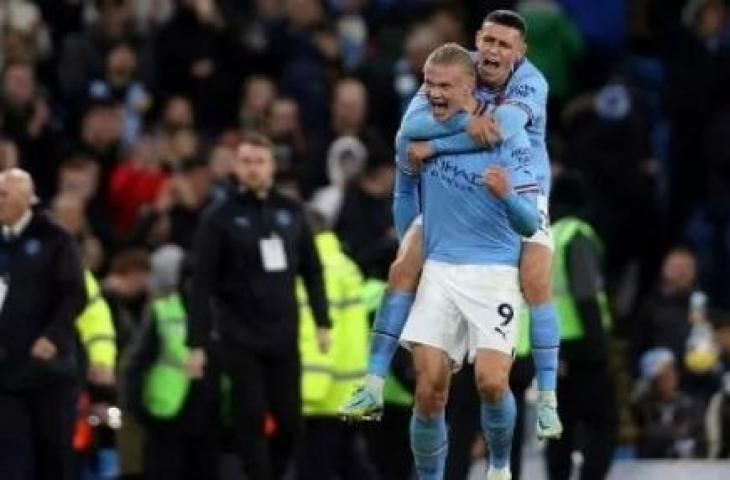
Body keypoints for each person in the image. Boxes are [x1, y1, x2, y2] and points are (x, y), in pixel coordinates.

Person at [341, 9, 563, 440]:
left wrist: (437, 144)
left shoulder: (531, 82)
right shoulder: (454, 70)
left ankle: (548, 400)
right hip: (459, 201)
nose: (494, 50)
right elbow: (411, 127)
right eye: (489, 40)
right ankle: (372, 384)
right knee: (404, 262)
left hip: (521, 191)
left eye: (504, 44)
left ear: (521, 51)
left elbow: (498, 130)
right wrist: (461, 123)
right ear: (477, 39)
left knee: (536, 279)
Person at [396, 43, 539, 480]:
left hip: (494, 273)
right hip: (439, 272)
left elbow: (530, 222)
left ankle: (498, 466)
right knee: (428, 391)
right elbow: (402, 197)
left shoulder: (507, 136)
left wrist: (507, 196)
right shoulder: (417, 132)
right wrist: (410, 249)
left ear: (470, 85)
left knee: (493, 383)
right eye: (429, 84)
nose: (434, 93)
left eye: (445, 86)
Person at [186, 132, 332, 480]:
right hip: (239, 335)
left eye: (260, 161)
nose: (253, 169)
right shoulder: (218, 217)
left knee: (290, 422)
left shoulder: (292, 212)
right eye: (246, 161)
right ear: (236, 167)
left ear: (272, 167)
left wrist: (322, 319)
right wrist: (196, 343)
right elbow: (201, 283)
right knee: (249, 419)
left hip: (283, 333)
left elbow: (312, 270)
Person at [0, 168, 87, 480]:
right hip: (7, 374)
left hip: (49, 373)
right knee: (11, 463)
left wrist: (54, 336)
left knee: (52, 458)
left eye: (4, 195)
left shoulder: (55, 238)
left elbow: (76, 294)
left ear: (27, 198)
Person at [123, 244, 220, 480]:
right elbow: (135, 365)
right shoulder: (163, 312)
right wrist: (139, 410)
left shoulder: (221, 315)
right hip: (167, 418)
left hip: (209, 420)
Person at [296, 209, 373, 480]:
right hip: (347, 390)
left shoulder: (319, 269)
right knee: (347, 462)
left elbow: (318, 331)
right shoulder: (341, 263)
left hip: (324, 395)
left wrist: (308, 391)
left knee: (319, 468)